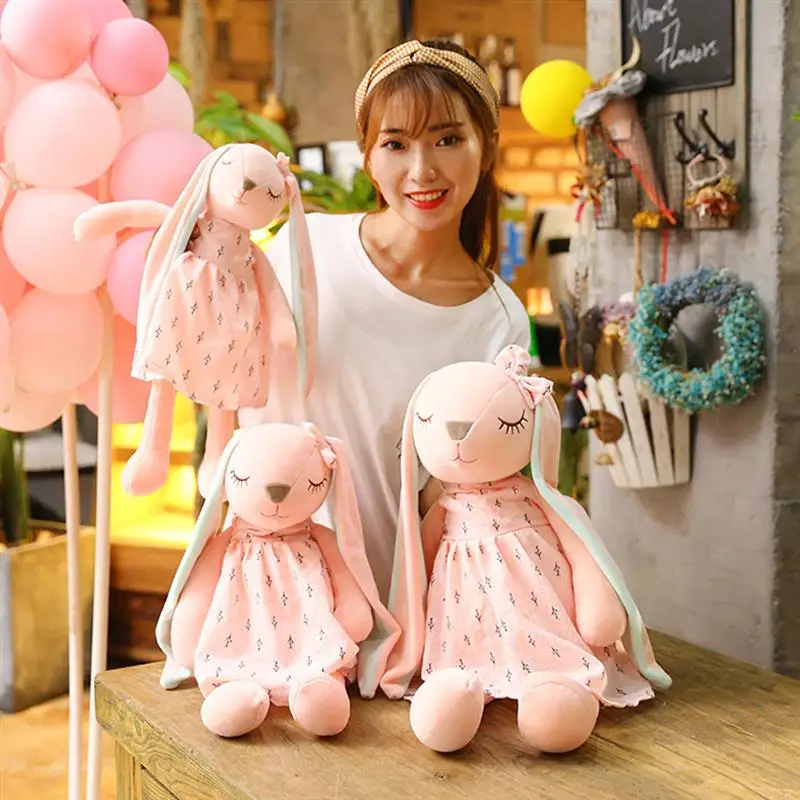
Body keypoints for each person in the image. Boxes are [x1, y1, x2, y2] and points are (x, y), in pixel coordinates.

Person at [245, 39, 531, 601]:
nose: (422, 170)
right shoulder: (305, 248)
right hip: (263, 588)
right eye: (395, 144)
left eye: (447, 139)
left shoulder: (497, 324)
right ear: (369, 156)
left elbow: (458, 505)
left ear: (488, 147)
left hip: (390, 611)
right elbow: (229, 395)